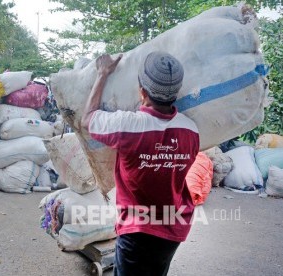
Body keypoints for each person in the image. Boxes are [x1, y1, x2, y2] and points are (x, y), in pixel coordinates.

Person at [81, 52, 200, 276]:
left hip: (137, 229)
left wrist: (102, 73)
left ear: (142, 92)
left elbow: (88, 119)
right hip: (175, 227)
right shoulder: (191, 130)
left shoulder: (129, 125)